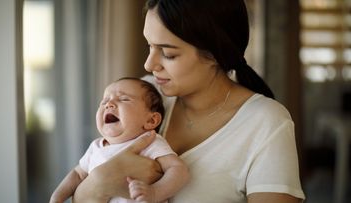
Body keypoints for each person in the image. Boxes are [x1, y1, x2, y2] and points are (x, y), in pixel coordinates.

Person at [73, 0, 306, 202]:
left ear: (214, 54)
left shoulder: (266, 123)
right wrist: (100, 182)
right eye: (149, 46)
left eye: (168, 54)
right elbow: (81, 194)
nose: (149, 64)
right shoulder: (144, 95)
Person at [50, 77, 189, 203]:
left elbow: (178, 169)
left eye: (124, 99)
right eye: (104, 101)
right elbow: (78, 174)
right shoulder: (96, 146)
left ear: (151, 120)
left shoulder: (150, 142)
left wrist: (155, 192)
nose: (109, 104)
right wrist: (57, 197)